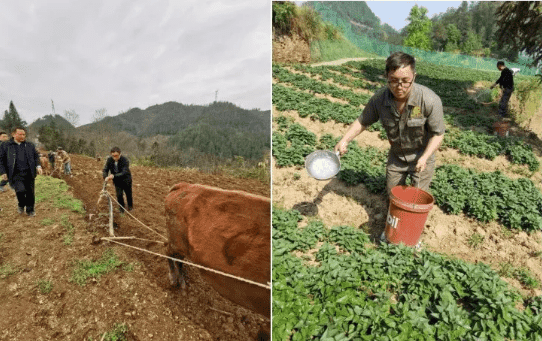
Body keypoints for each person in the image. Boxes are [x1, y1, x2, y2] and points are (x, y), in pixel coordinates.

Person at [334, 52, 445, 195]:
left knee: (416, 199)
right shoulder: (380, 99)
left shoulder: (429, 100)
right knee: (393, 195)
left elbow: (438, 134)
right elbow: (362, 121)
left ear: (414, 76)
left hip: (422, 156)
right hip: (397, 158)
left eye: (405, 80)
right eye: (394, 80)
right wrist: (344, 140)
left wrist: (424, 157)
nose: (400, 86)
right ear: (387, 77)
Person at [0, 127, 43, 216]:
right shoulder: (6, 146)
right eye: (20, 134)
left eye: (24, 134)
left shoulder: (30, 145)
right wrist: (3, 172)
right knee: (20, 191)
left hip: (29, 173)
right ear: (13, 134)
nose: (22, 136)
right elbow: (1, 160)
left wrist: (38, 166)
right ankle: (21, 204)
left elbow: (36, 157)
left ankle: (30, 210)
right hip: (15, 174)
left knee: (30, 193)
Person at [102, 147, 133, 213]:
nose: (114, 157)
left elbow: (124, 172)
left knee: (128, 194)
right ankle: (121, 208)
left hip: (126, 180)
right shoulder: (109, 160)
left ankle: (130, 206)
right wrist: (105, 177)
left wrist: (113, 176)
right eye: (113, 156)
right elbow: (105, 169)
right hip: (117, 181)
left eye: (116, 155)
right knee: (119, 195)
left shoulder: (125, 160)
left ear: (120, 154)